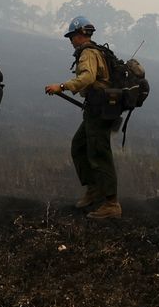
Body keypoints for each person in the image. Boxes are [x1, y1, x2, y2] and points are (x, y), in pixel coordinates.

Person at [45, 15, 121, 219]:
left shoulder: (88, 52)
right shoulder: (98, 50)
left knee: (99, 154)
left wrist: (61, 86)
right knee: (79, 146)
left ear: (80, 35)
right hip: (98, 109)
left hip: (99, 110)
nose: (71, 41)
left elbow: (87, 77)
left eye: (72, 37)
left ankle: (111, 204)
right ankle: (94, 189)